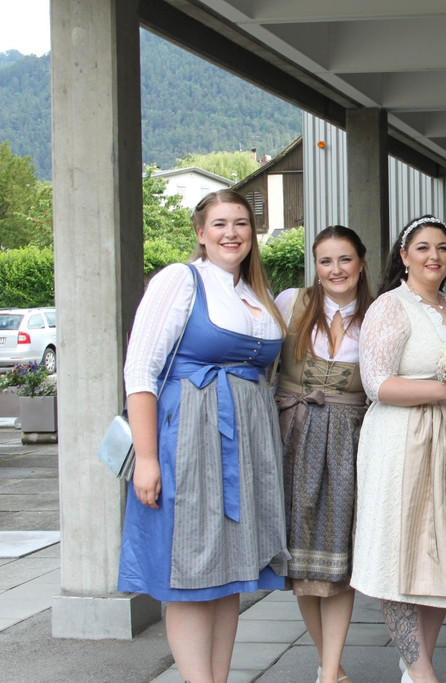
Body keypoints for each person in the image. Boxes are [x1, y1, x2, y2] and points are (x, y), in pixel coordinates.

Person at [119, 190, 290, 683]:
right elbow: (140, 370)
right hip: (191, 437)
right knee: (192, 572)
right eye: (219, 223)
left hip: (246, 444)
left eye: (241, 223)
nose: (231, 233)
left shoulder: (256, 293)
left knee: (229, 573)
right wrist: (147, 459)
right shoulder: (181, 279)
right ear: (200, 232)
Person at [350, 215, 446, 683]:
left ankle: (415, 667)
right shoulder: (390, 307)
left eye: (442, 247)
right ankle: (423, 675)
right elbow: (376, 383)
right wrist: (444, 391)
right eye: (422, 247)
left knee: (441, 557)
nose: (433, 256)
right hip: (404, 440)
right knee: (398, 555)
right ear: (404, 256)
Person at [275, 226, 373, 683]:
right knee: (302, 563)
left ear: (361, 263)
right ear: (315, 266)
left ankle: (330, 672)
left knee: (337, 561)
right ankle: (330, 666)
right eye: (326, 261)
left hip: (350, 443)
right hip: (293, 436)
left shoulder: (377, 314)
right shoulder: (290, 303)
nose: (336, 270)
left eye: (345, 259)